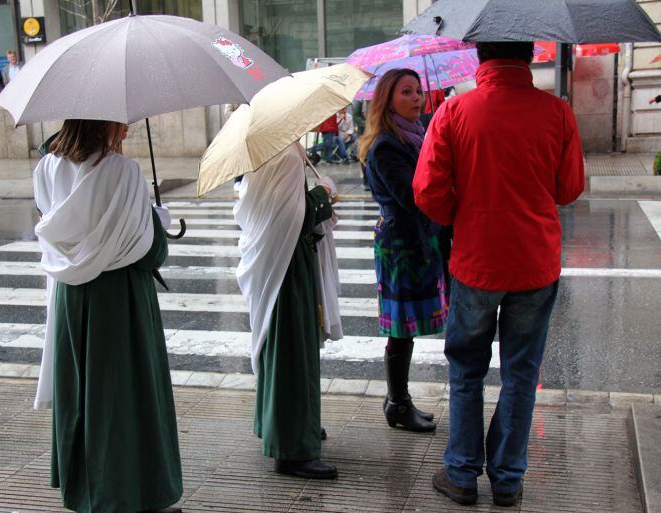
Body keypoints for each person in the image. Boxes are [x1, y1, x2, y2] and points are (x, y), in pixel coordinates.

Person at [413, 42, 585, 508]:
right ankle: (507, 480)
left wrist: (460, 216)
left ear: (480, 58)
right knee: (521, 374)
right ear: (528, 56)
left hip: (476, 262)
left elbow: (427, 190)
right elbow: (569, 189)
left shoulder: (454, 111)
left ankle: (462, 474)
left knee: (467, 372)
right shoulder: (558, 113)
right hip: (535, 262)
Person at [32, 119, 182, 513]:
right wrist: (156, 223)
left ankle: (85, 490)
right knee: (125, 393)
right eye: (122, 122)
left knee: (81, 391)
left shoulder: (47, 167)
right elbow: (149, 252)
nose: (127, 129)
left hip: (71, 294)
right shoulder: (123, 171)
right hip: (120, 297)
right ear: (105, 122)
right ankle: (132, 490)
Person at [235, 142, 339, 480]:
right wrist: (323, 193)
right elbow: (296, 215)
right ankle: (293, 450)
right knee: (292, 354)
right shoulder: (284, 153)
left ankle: (287, 426)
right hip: (287, 264)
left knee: (282, 349)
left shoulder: (269, 148)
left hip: (277, 260)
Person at [357, 69, 448, 434]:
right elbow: (413, 198)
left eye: (418, 91)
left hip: (416, 240)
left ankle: (400, 401)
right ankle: (397, 403)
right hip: (401, 245)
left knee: (406, 327)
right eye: (406, 92)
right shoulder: (386, 145)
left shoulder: (416, 136)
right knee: (401, 327)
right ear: (387, 100)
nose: (416, 98)